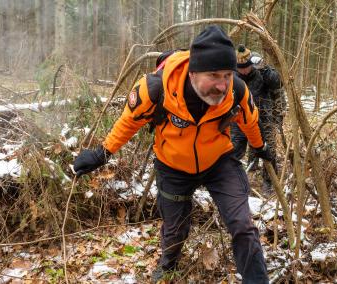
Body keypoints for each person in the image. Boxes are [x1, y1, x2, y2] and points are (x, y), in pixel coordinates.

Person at [73, 26, 271, 283]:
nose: (222, 85)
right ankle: (168, 267)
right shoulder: (157, 88)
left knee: (243, 225)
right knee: (175, 230)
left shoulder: (236, 91)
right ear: (194, 71)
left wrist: (260, 147)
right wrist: (102, 153)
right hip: (173, 166)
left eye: (226, 75)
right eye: (213, 75)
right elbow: (129, 121)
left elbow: (249, 121)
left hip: (219, 162)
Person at [230, 44, 286, 195]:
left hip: (264, 118)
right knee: (233, 150)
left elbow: (278, 83)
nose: (243, 71)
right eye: (240, 68)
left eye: (246, 67)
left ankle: (269, 183)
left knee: (269, 151)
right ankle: (233, 182)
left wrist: (265, 67)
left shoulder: (262, 72)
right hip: (239, 119)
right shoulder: (232, 75)